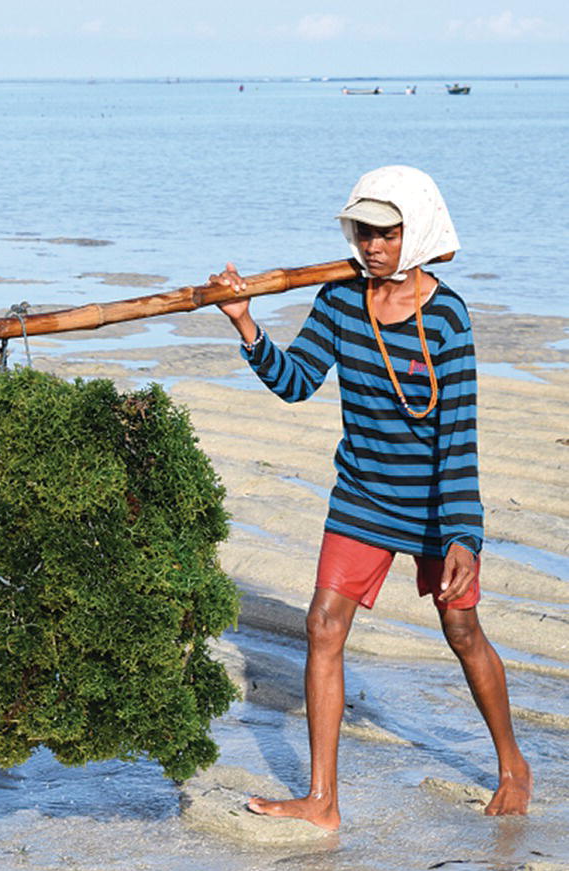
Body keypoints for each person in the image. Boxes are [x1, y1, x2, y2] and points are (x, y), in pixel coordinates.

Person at [209, 165, 532, 830]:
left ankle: (513, 767)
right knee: (322, 625)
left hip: (435, 504)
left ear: (413, 235)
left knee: (463, 630)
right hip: (361, 493)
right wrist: (246, 323)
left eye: (386, 233)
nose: (372, 245)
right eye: (363, 231)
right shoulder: (338, 300)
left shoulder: (447, 318)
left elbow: (458, 436)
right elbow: (297, 382)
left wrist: (463, 535)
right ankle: (322, 802)